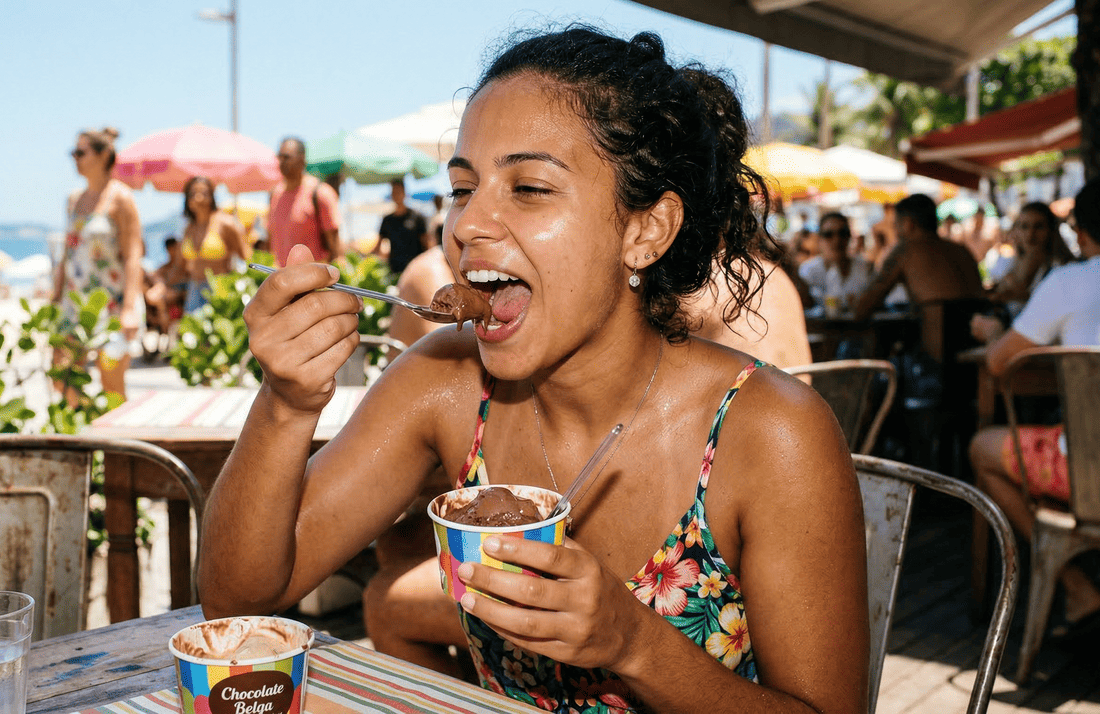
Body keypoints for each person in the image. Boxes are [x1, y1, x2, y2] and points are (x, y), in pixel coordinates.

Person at [200, 26, 868, 713]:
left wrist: (633, 643)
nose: (465, 226)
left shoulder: (773, 434)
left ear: (646, 231)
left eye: (529, 187)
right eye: (463, 188)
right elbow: (237, 599)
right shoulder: (447, 385)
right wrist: (285, 401)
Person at [969, 175, 1100, 641]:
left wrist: (994, 336)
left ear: (1081, 232)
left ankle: (1076, 586)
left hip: (1095, 477)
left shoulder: (1071, 279)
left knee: (982, 448)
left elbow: (997, 363)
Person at [52, 127, 144, 400]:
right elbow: (68, 253)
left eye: (80, 153)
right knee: (63, 377)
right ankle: (84, 434)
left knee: (112, 382)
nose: (75, 158)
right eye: (73, 153)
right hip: (74, 302)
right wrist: (56, 296)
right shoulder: (73, 200)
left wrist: (129, 308)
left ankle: (116, 440)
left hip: (112, 303)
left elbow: (133, 254)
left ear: (104, 155)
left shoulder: (121, 198)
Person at [853, 193, 984, 321]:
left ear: (908, 224)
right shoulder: (961, 250)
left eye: (896, 224)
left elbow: (863, 308)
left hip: (937, 340)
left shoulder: (906, 250)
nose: (895, 230)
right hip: (980, 337)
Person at [980, 202, 1075, 321]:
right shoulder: (1012, 262)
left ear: (1051, 230)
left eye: (1039, 226)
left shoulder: (1062, 268)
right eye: (1024, 226)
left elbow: (1054, 310)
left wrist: (1019, 293)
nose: (1030, 234)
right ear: (1016, 230)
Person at [267, 137, 342, 266]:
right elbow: (272, 240)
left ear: (302, 160)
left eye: (287, 157)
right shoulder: (275, 194)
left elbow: (336, 248)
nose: (282, 162)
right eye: (280, 157)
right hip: (282, 279)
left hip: (313, 280)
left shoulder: (320, 193)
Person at [180, 176, 250, 313]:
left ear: (212, 197)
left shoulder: (226, 223)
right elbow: (181, 265)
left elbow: (247, 258)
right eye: (193, 194)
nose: (198, 198)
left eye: (204, 193)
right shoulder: (189, 228)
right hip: (193, 289)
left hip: (220, 289)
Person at [798, 212, 873, 315]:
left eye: (842, 233)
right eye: (828, 235)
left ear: (849, 237)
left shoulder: (864, 268)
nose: (837, 240)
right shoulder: (808, 270)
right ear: (819, 239)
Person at [378, 178, 432, 275]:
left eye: (398, 191)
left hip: (416, 269)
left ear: (404, 193)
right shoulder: (387, 220)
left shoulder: (417, 217)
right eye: (394, 192)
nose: (396, 195)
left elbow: (426, 243)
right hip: (395, 271)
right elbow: (379, 243)